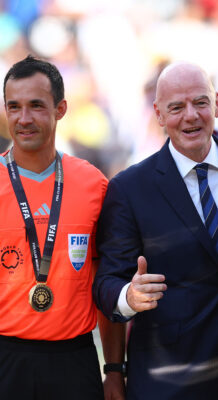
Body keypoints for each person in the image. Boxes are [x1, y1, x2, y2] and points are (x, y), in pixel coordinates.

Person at [93, 62, 218, 400]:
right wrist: (130, 296)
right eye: (176, 107)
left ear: (216, 103)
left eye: (199, 102)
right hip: (172, 380)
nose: (191, 116)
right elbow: (107, 282)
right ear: (158, 114)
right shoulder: (129, 188)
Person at [0, 55, 125, 400]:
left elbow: (107, 283)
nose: (24, 119)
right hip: (6, 360)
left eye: (36, 106)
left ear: (61, 109)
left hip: (74, 360)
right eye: (14, 107)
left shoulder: (93, 184)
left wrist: (114, 370)